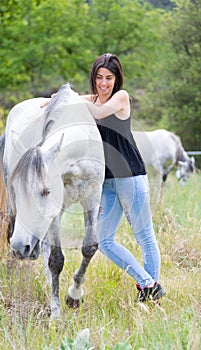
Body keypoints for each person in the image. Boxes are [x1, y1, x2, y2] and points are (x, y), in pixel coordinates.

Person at [41, 53, 166, 302]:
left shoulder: (121, 97)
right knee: (104, 240)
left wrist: (72, 99)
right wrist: (58, 100)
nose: (103, 83)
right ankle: (149, 284)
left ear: (117, 78)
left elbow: (98, 113)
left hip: (130, 175)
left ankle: (150, 292)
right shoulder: (93, 98)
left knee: (144, 237)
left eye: (109, 78)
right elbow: (81, 102)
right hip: (107, 180)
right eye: (99, 77)